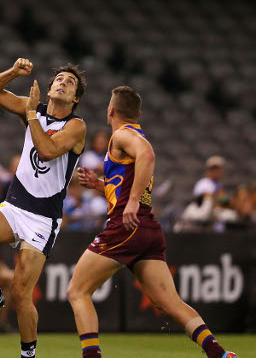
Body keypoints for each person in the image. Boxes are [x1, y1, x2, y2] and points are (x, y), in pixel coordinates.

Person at [66, 86, 238, 358]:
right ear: (139, 113)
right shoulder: (135, 134)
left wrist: (132, 200)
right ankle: (219, 353)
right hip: (147, 229)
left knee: (77, 290)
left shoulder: (122, 135)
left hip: (125, 228)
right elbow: (128, 181)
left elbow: (148, 156)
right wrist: (100, 185)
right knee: (170, 302)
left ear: (110, 111)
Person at [0, 58, 87, 358]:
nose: (62, 82)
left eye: (69, 82)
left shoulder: (76, 126)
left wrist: (30, 112)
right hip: (15, 205)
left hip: (44, 219)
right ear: (48, 90)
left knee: (21, 295)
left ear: (76, 99)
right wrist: (12, 72)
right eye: (58, 78)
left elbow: (46, 152)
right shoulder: (34, 110)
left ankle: (28, 355)